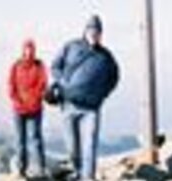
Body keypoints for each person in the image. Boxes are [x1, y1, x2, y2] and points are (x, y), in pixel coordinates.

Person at [51, 15, 120, 181]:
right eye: (91, 30)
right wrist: (63, 83)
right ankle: (76, 173)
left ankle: (87, 177)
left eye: (97, 31)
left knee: (89, 146)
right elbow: (55, 66)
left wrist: (102, 94)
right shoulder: (71, 46)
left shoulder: (106, 56)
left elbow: (114, 77)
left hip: (91, 109)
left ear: (101, 34)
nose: (94, 34)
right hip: (68, 105)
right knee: (72, 148)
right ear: (85, 31)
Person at [8, 39, 48, 178]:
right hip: (19, 109)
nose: (29, 52)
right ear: (23, 50)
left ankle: (41, 168)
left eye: (31, 49)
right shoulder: (16, 66)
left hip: (35, 109)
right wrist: (19, 101)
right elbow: (11, 86)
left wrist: (33, 100)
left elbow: (42, 85)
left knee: (35, 139)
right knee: (20, 140)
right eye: (27, 49)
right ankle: (21, 170)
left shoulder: (39, 66)